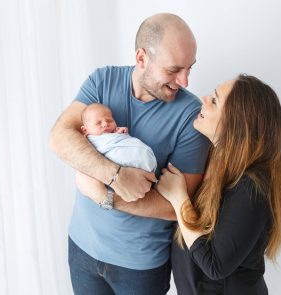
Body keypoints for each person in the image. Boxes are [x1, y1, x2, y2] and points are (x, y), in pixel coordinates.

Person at [49, 13, 210, 295]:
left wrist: (106, 196)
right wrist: (114, 175)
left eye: (189, 68)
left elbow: (180, 207)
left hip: (139, 268)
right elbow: (60, 137)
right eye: (174, 70)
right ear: (141, 58)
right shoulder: (102, 81)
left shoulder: (190, 116)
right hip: (82, 248)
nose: (184, 80)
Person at [154, 74, 281, 294]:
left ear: (238, 123)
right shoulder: (208, 160)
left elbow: (214, 265)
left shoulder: (251, 188)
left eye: (215, 100)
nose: (204, 99)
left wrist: (179, 198)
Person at [81, 103, 157, 173]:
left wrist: (120, 134)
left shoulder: (116, 132)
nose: (105, 124)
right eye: (98, 123)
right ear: (85, 130)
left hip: (143, 160)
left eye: (109, 120)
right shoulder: (91, 141)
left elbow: (121, 139)